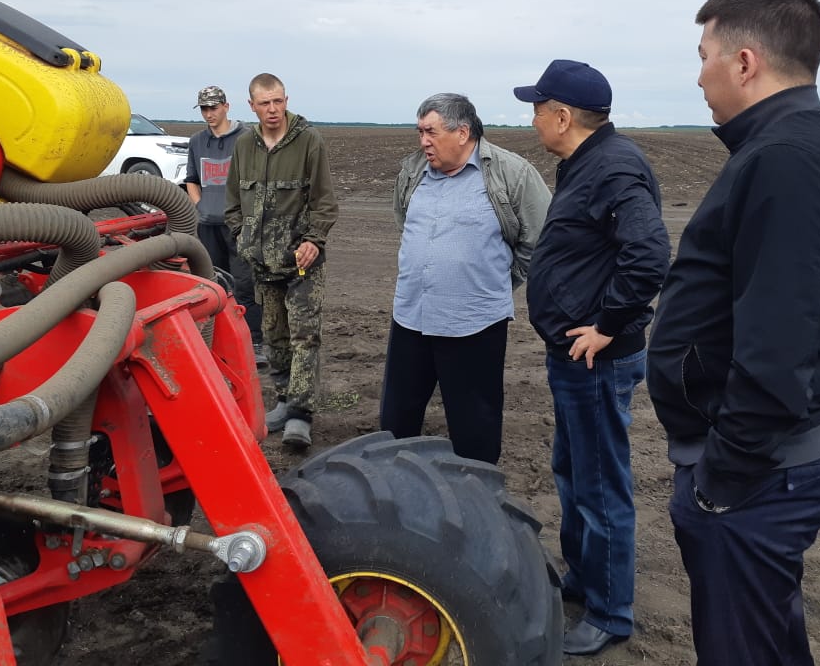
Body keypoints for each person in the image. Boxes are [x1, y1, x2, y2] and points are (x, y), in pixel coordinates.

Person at [647, 0, 820, 666]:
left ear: (744, 62)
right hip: (763, 470)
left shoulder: (786, 160)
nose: (699, 75)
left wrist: (721, 485)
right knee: (769, 640)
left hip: (758, 478)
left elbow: (778, 348)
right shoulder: (794, 145)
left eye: (704, 54)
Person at [514, 60, 670, 657]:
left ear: (561, 115)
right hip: (574, 358)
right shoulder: (587, 163)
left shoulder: (613, 167)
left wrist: (606, 326)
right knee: (574, 472)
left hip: (596, 361)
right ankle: (583, 576)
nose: (532, 120)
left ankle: (609, 612)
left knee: (601, 484)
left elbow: (651, 254)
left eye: (536, 108)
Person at [380, 93, 551, 464]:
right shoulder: (412, 172)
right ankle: (394, 490)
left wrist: (496, 284)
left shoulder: (511, 173)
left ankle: (479, 494)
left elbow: (539, 240)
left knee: (475, 424)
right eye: (419, 131)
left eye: (431, 131)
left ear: (462, 132)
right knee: (396, 419)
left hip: (474, 324)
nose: (423, 140)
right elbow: (405, 223)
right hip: (411, 316)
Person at [225, 73, 339, 450]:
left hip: (302, 262)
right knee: (274, 336)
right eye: (265, 103)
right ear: (252, 106)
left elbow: (324, 201)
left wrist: (314, 240)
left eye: (278, 102)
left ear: (286, 100)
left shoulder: (309, 141)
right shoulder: (244, 146)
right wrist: (242, 236)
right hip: (263, 262)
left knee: (305, 335)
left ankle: (301, 417)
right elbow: (233, 203)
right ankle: (285, 399)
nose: (273, 110)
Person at [183, 85, 265, 364]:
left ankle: (255, 341)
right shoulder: (197, 141)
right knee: (213, 283)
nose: (209, 114)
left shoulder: (247, 138)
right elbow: (191, 178)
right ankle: (217, 341)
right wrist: (199, 206)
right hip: (208, 225)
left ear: (226, 107)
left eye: (213, 107)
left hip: (239, 226)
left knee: (245, 283)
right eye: (204, 109)